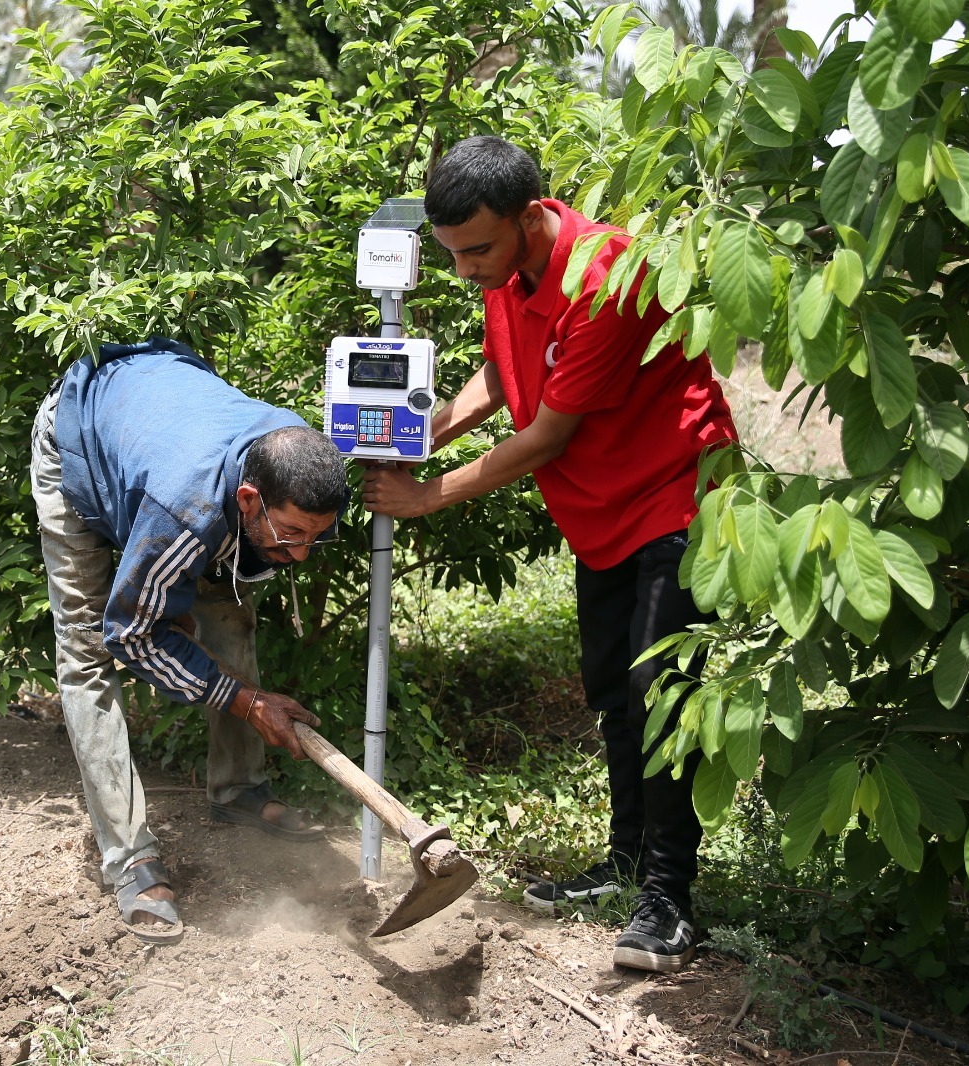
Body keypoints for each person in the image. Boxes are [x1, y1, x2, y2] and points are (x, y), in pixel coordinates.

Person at [362, 136, 737, 972]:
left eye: (477, 251)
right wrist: (422, 432)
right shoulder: (507, 269)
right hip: (599, 510)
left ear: (531, 216)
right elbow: (501, 374)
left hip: (674, 494)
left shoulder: (603, 277)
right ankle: (626, 861)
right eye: (453, 254)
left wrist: (429, 493)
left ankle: (670, 901)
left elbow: (547, 434)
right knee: (613, 687)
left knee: (659, 692)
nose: (464, 272)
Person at [30, 336, 347, 945]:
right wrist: (251, 701)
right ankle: (129, 859)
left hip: (162, 429)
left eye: (315, 537)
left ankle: (240, 791)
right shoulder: (185, 509)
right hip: (80, 438)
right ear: (249, 500)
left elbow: (240, 555)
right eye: (292, 536)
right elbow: (129, 636)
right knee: (88, 653)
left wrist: (194, 624)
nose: (301, 554)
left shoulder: (291, 460)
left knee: (229, 616)